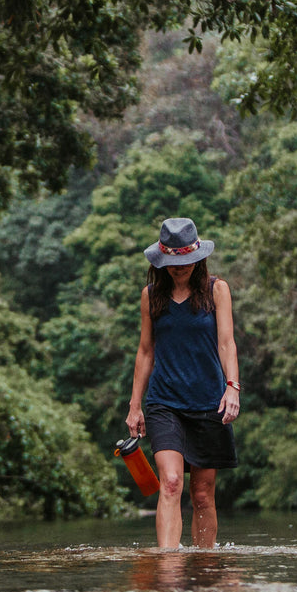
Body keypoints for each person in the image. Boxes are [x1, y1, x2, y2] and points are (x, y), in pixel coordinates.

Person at [126, 217, 240, 549]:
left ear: (198, 258)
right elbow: (146, 351)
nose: (179, 268)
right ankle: (168, 567)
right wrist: (135, 406)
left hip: (208, 402)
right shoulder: (151, 296)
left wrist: (232, 386)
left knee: (202, 495)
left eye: (185, 262)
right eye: (173, 263)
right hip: (165, 403)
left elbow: (226, 343)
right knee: (172, 482)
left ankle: (205, 565)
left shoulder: (217, 290)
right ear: (162, 262)